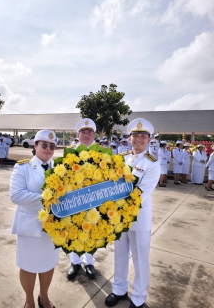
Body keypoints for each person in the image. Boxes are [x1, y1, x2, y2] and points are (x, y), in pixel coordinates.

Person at [105, 118, 160, 308]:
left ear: (149, 139)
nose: (139, 139)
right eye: (135, 135)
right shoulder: (122, 159)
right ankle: (119, 289)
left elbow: (140, 194)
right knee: (119, 255)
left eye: (143, 136)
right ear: (129, 138)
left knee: (140, 259)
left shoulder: (152, 164)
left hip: (139, 219)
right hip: (119, 219)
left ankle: (138, 297)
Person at [10, 129, 59, 308]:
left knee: (48, 263)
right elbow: (16, 195)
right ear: (35, 146)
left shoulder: (61, 168)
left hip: (53, 227)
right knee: (28, 265)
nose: (48, 149)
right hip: (29, 226)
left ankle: (44, 297)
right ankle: (29, 300)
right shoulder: (23, 167)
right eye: (44, 145)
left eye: (52, 146)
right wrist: (49, 201)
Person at [67, 118, 97, 280]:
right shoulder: (70, 151)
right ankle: (75, 262)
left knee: (92, 231)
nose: (86, 135)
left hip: (94, 200)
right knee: (73, 231)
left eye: (90, 132)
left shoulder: (101, 152)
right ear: (78, 135)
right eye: (83, 132)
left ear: (94, 135)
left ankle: (89, 262)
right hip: (75, 199)